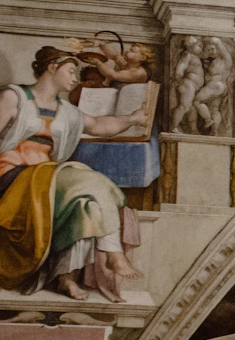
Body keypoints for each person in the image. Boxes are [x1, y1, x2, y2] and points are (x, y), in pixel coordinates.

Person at [0, 47, 145, 300]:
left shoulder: (66, 111)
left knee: (85, 203)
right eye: (70, 71)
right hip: (10, 176)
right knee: (84, 176)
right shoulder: (15, 98)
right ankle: (114, 253)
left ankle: (66, 278)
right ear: (52, 67)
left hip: (45, 177)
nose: (75, 78)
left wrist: (132, 119)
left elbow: (100, 125)